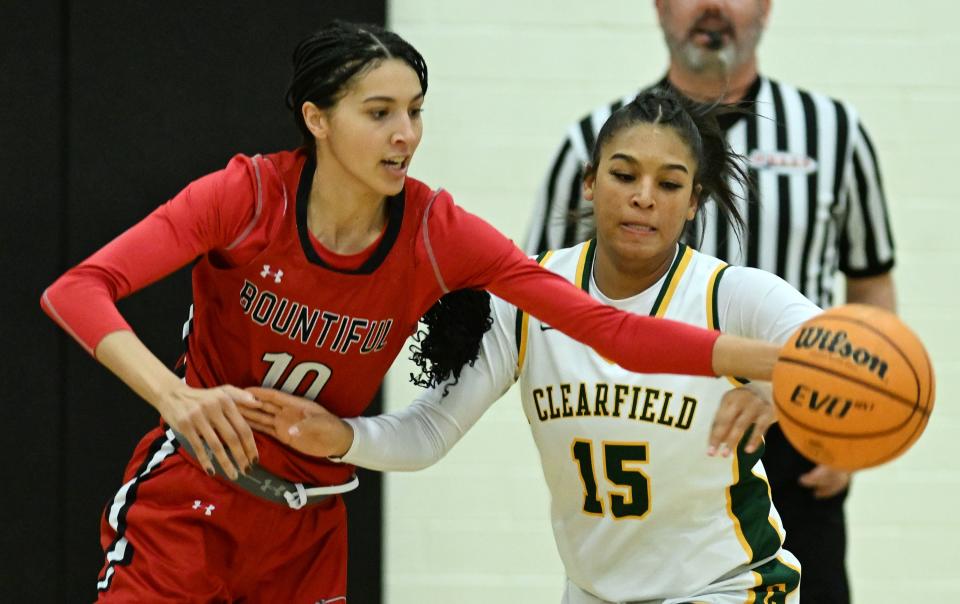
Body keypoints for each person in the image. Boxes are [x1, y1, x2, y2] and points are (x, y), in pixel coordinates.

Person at [41, 21, 782, 603]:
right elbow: (75, 289)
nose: (406, 134)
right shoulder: (244, 198)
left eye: (416, 112)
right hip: (193, 497)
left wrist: (780, 361)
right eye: (380, 112)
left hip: (309, 521)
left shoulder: (438, 232)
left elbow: (608, 328)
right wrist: (178, 399)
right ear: (318, 119)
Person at [239, 89, 817, 603]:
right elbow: (431, 431)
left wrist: (776, 393)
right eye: (623, 175)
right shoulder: (527, 295)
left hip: (726, 587)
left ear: (693, 202)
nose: (644, 197)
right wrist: (342, 437)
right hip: (593, 591)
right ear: (590, 181)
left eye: (668, 184)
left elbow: (840, 352)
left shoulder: (729, 295)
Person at [525, 2, 897, 601]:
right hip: (654, 431)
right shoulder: (591, 137)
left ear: (768, 8)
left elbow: (871, 286)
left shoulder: (834, 130)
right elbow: (539, 292)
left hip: (795, 424)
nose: (714, 6)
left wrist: (850, 429)